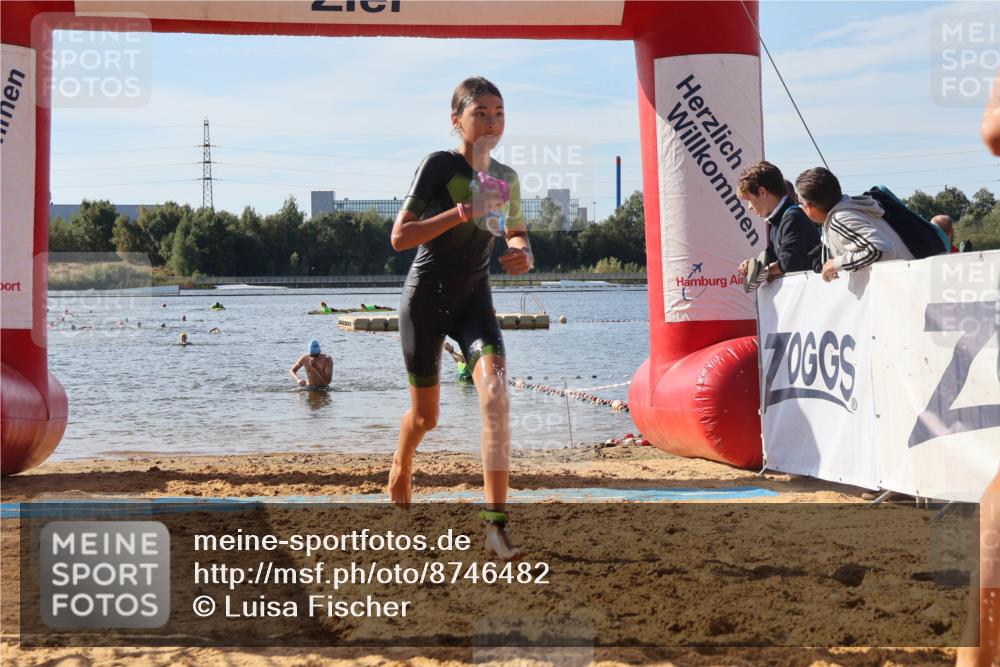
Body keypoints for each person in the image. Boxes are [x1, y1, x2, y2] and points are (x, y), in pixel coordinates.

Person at [388, 76, 533, 560]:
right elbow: (400, 237)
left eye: (499, 112)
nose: (492, 121)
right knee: (427, 417)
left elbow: (516, 235)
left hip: (475, 300)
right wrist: (459, 212)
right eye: (481, 113)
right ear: (458, 120)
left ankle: (495, 527)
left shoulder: (507, 179)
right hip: (425, 299)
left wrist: (520, 253)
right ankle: (403, 461)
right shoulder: (438, 166)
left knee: (495, 397)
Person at [794, 167, 914, 282]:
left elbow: (881, 249)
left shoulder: (840, 219)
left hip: (903, 289)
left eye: (801, 203)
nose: (801, 207)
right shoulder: (851, 210)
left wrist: (837, 264)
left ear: (810, 206)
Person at [735, 161, 820, 291]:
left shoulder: (793, 217)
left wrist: (760, 272)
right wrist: (755, 264)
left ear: (762, 192)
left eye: (749, 200)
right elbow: (773, 254)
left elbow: (790, 263)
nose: (749, 207)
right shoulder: (778, 220)